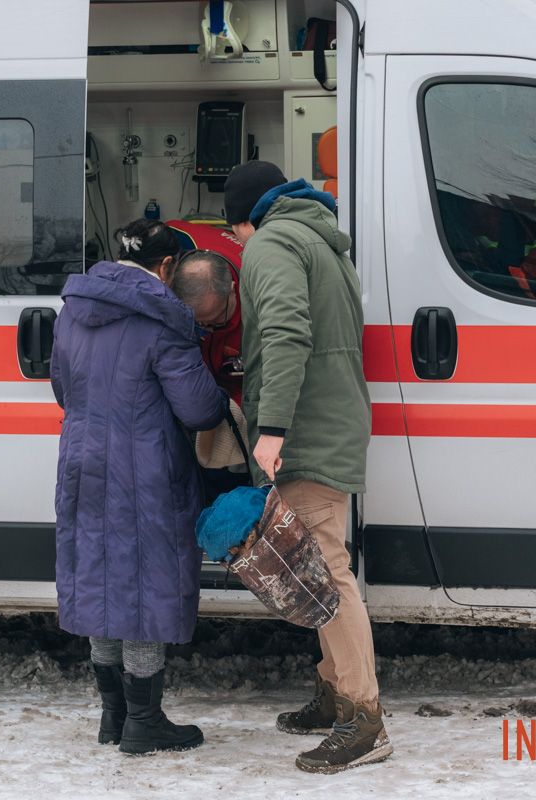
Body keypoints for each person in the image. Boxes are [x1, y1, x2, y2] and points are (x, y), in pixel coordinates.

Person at [223, 160, 389, 774]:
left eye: (233, 232)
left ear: (245, 218)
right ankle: (334, 690)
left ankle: (363, 720)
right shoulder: (320, 237)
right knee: (315, 569)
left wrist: (271, 429)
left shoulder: (270, 243)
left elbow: (289, 334)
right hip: (334, 419)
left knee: (328, 572)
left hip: (308, 433)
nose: (237, 245)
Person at [50, 219, 224, 755]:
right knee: (143, 583)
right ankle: (145, 721)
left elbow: (63, 388)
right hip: (144, 467)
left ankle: (113, 716)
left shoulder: (72, 314)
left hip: (83, 461)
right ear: (166, 267)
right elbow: (198, 409)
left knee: (102, 579)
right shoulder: (162, 320)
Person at [171, 250, 250, 501]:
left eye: (217, 321)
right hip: (198, 435)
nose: (209, 330)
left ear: (233, 291)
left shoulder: (258, 315)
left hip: (245, 434)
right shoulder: (176, 319)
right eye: (200, 325)